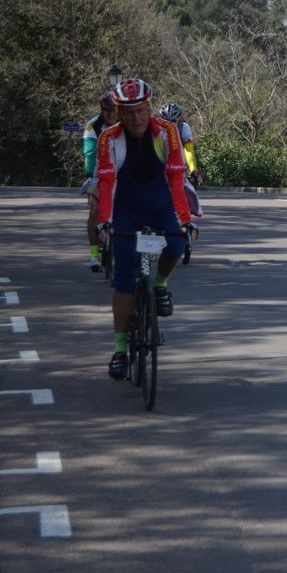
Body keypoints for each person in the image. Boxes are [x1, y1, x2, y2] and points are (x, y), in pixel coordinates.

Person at [96, 78, 193, 379]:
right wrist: (104, 222)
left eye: (141, 111)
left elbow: (176, 179)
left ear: (149, 109)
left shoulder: (168, 132)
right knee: (124, 277)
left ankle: (160, 284)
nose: (136, 119)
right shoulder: (108, 138)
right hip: (126, 210)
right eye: (129, 113)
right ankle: (120, 350)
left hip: (161, 205)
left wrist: (184, 220)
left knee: (176, 245)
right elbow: (106, 183)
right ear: (119, 114)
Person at [80, 92, 120, 271]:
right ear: (101, 110)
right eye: (106, 111)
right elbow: (89, 152)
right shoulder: (93, 125)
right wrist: (89, 174)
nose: (110, 114)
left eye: (114, 110)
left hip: (121, 169)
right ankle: (94, 255)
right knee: (94, 210)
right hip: (99, 170)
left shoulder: (126, 122)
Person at [159, 102, 204, 217]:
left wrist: (193, 169)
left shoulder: (183, 127)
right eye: (166, 121)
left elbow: (188, 150)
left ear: (178, 119)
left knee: (185, 190)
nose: (170, 124)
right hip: (161, 162)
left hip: (177, 164)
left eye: (173, 121)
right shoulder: (156, 128)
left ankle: (185, 216)